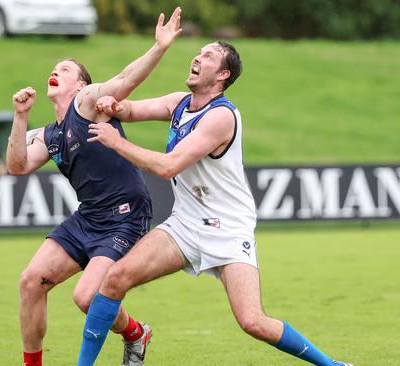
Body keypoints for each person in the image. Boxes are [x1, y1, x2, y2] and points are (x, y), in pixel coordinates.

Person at [76, 41, 354, 366]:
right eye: (199, 52)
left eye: (208, 56)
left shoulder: (221, 117)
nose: (197, 57)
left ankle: (333, 365)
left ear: (222, 75)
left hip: (228, 229)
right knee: (114, 279)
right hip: (184, 225)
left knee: (253, 321)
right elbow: (132, 109)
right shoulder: (180, 103)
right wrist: (114, 105)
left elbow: (168, 166)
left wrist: (117, 142)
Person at [5, 8, 182, 366]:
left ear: (81, 85)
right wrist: (20, 116)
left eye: (66, 69)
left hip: (125, 217)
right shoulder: (51, 134)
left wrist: (159, 47)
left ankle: (135, 333)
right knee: (30, 281)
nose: (56, 71)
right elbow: (17, 165)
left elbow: (124, 80)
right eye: (54, 68)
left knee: (87, 298)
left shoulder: (88, 105)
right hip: (88, 218)